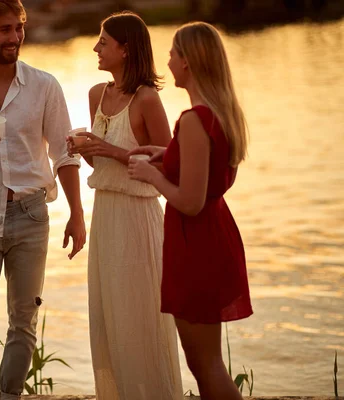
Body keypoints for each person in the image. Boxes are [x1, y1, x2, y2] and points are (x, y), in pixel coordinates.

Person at [0, 0, 87, 399]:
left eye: (18, 28)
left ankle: (9, 396)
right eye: (5, 30)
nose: (15, 38)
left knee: (24, 320)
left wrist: (77, 213)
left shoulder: (44, 85)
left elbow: (64, 153)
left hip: (30, 214)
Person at [128, 21, 253, 400]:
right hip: (212, 236)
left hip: (197, 243)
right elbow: (206, 172)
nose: (167, 60)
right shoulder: (218, 114)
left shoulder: (196, 119)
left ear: (189, 62)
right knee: (204, 361)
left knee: (205, 363)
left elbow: (190, 201)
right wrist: (168, 156)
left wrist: (151, 175)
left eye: (173, 53)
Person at [67, 11, 183, 399]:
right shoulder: (96, 94)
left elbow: (169, 162)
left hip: (139, 217)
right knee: (110, 314)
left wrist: (110, 150)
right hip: (106, 217)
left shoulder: (147, 98)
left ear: (125, 49)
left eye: (103, 41)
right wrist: (84, 150)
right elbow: (102, 164)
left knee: (141, 314)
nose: (96, 48)